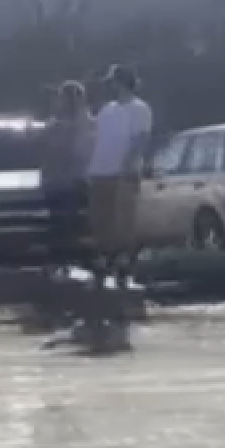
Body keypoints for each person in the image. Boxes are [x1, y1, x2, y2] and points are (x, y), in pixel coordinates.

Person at [85, 64, 153, 290]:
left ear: (122, 82)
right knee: (101, 220)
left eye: (113, 82)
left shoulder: (139, 108)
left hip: (124, 172)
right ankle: (102, 262)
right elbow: (96, 137)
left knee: (122, 221)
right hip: (100, 170)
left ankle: (123, 264)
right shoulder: (108, 109)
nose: (110, 86)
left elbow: (140, 139)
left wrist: (129, 164)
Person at [40, 81, 94, 273]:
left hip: (73, 180)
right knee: (57, 223)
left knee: (71, 223)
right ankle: (60, 262)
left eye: (62, 97)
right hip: (54, 180)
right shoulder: (55, 121)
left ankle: (74, 261)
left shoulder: (83, 122)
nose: (59, 101)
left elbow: (79, 149)